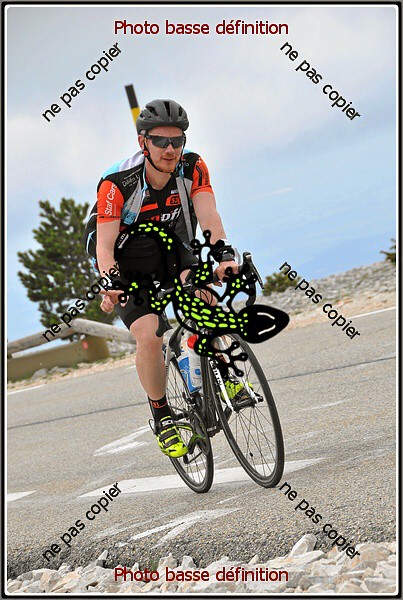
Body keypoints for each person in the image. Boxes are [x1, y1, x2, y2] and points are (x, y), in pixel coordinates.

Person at [85, 99, 243, 458]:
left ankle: (225, 372)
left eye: (177, 141)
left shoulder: (193, 166)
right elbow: (105, 247)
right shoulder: (117, 182)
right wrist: (111, 282)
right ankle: (162, 415)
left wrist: (224, 258)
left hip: (170, 246)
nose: (170, 149)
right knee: (149, 333)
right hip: (124, 257)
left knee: (205, 299)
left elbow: (210, 218)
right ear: (144, 143)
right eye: (160, 141)